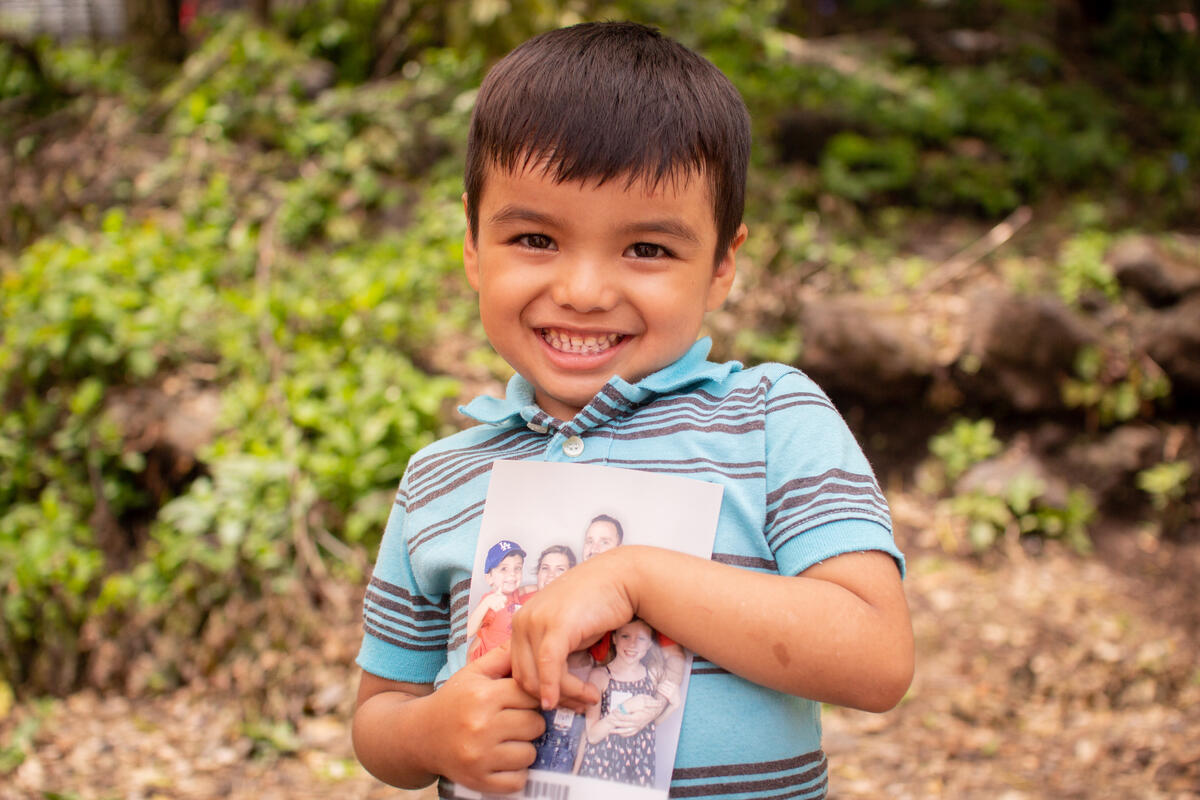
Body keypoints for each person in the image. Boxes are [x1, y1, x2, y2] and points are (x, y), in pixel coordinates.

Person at [352, 21, 913, 800]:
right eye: (535, 237)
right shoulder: (439, 480)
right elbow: (381, 712)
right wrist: (431, 734)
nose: (584, 290)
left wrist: (638, 577)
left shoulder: (770, 422)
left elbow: (878, 658)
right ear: (474, 247)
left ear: (722, 265)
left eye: (647, 249)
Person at [578, 619, 678, 787]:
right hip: (603, 764)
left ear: (649, 645)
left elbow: (649, 726)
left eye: (641, 639)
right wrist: (625, 708)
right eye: (625, 636)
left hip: (638, 763)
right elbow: (593, 735)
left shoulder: (653, 675)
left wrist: (673, 706)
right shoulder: (600, 676)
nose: (633, 644)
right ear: (614, 639)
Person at [465, 539, 532, 661]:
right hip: (486, 662)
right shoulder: (492, 601)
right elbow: (468, 632)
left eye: (517, 568)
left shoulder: (515, 593)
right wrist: (485, 604)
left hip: (506, 657)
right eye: (504, 569)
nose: (512, 574)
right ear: (489, 577)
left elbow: (526, 589)